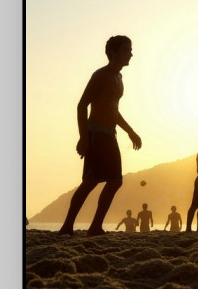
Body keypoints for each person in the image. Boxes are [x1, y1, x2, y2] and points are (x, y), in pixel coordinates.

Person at [58, 35, 142, 236]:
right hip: (96, 134)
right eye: (126, 49)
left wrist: (130, 131)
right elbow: (82, 105)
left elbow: (114, 109)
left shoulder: (119, 78)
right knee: (91, 181)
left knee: (115, 181)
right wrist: (84, 138)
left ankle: (95, 226)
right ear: (112, 53)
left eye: (130, 49)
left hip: (110, 135)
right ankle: (66, 226)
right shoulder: (100, 75)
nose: (130, 53)